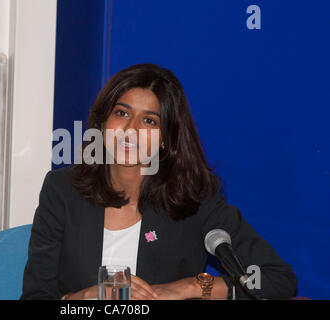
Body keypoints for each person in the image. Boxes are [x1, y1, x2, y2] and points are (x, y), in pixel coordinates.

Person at [20, 63, 297, 300]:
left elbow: (276, 279)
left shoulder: (193, 197)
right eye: (122, 113)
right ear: (103, 123)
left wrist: (189, 287)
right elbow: (36, 293)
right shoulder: (62, 189)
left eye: (149, 121)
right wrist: (84, 297)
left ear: (165, 138)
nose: (131, 130)